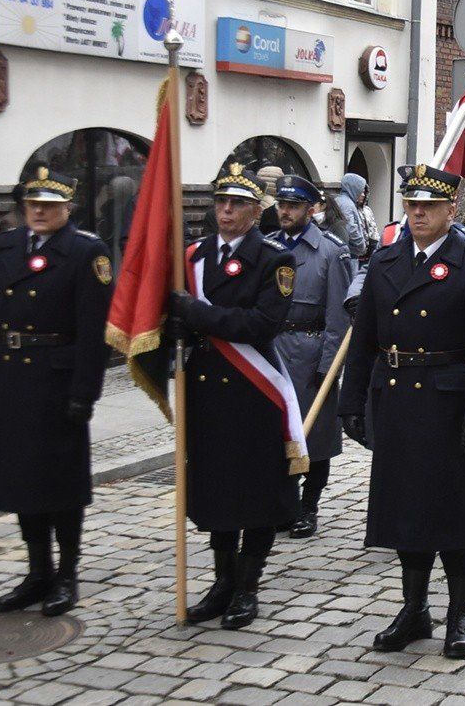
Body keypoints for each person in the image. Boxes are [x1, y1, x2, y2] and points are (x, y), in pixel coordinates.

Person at [337, 163, 465, 659]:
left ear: (451, 210)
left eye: (429, 207)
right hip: (396, 402)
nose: (418, 214)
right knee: (405, 511)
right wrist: (351, 401)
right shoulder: (386, 261)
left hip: (448, 405)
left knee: (452, 514)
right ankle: (414, 610)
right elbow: (363, 339)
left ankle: (459, 613)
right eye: (412, 205)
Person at [0, 167, 112, 616]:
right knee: (21, 481)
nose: (40, 212)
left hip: (57, 380)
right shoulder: (6, 246)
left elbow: (94, 331)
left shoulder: (86, 251)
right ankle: (37, 572)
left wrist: (85, 392)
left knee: (61, 483)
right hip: (12, 378)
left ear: (68, 207)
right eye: (33, 204)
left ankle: (66, 574)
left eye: (49, 205)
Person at [167, 164, 302, 629]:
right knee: (217, 491)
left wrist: (196, 314)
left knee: (257, 492)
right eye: (221, 202)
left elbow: (262, 324)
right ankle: (221, 582)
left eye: (238, 204)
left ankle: (247, 587)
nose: (226, 210)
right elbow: (182, 321)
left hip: (253, 390)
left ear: (256, 211)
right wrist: (177, 326)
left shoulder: (275, 259)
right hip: (207, 390)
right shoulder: (193, 256)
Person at [266, 174, 354, 539]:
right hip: (272, 351)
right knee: (274, 433)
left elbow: (339, 317)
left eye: (293, 206)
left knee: (314, 435)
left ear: (311, 208)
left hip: (311, 351)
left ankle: (309, 505)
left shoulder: (331, 251)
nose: (285, 212)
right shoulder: (268, 246)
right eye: (282, 205)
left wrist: (329, 367)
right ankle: (282, 502)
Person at [333, 173, 369, 258]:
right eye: (361, 191)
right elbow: (351, 228)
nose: (363, 195)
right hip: (349, 253)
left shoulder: (341, 201)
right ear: (354, 189)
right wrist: (362, 246)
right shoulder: (347, 204)